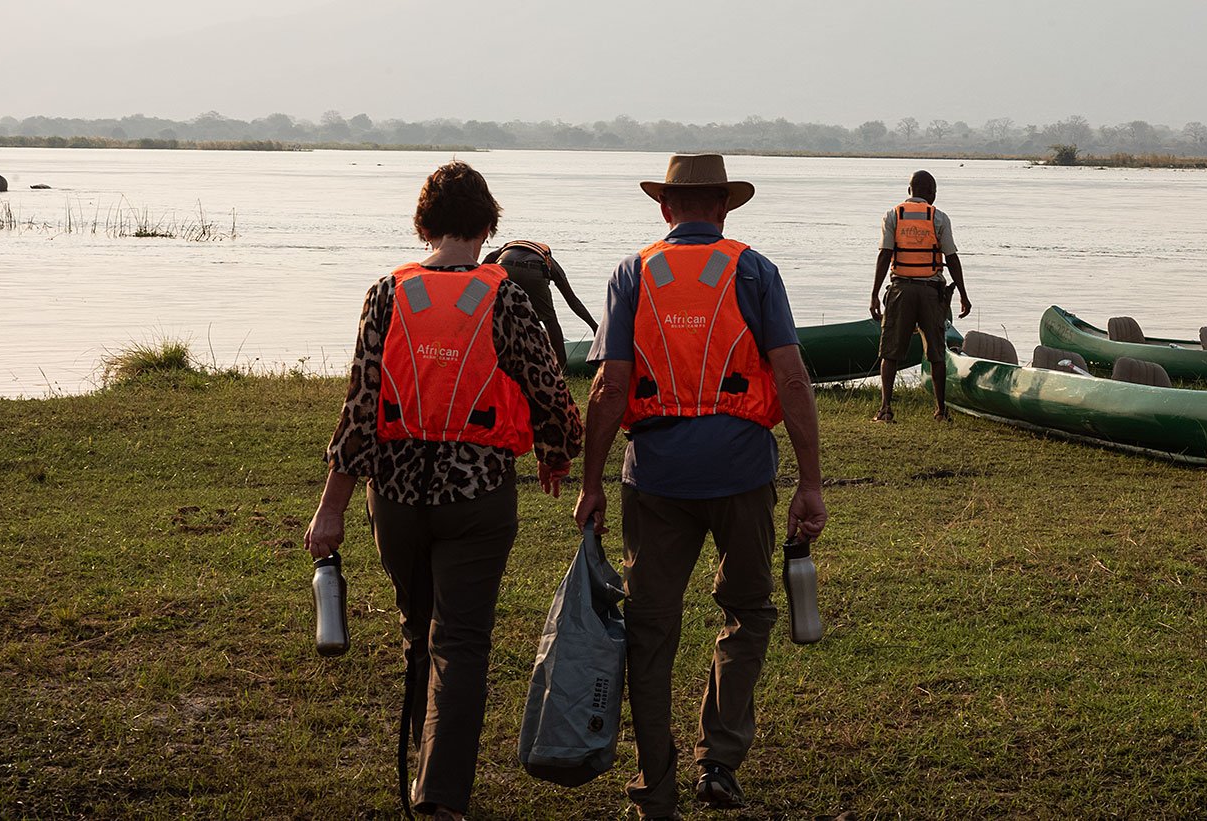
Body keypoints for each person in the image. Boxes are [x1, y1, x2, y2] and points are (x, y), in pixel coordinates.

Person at [304, 162, 582, 821]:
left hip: (395, 496)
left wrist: (330, 507)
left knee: (416, 630)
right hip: (476, 493)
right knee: (460, 640)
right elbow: (548, 389)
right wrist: (555, 450)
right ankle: (440, 798)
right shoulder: (506, 295)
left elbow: (360, 410)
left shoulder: (386, 293)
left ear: (421, 224)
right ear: (489, 225)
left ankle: (420, 777)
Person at [573, 154, 826, 821]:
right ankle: (717, 761)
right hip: (742, 473)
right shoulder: (753, 269)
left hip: (654, 475)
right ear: (723, 207)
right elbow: (794, 380)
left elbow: (609, 386)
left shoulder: (634, 272)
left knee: (651, 628)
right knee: (749, 610)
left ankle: (654, 790)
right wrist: (811, 480)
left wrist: (592, 479)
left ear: (665, 208)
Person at [867, 169, 971, 422]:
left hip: (900, 290)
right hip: (930, 293)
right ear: (932, 193)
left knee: (890, 352)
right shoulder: (939, 218)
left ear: (909, 190)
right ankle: (940, 411)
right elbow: (952, 258)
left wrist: (873, 295)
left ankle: (885, 410)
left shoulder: (893, 215)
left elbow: (884, 255)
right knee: (936, 353)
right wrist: (964, 295)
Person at [483, 238, 598, 372]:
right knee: (549, 320)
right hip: (534, 269)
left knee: (500, 315)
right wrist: (595, 327)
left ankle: (494, 360)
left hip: (503, 267)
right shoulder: (548, 260)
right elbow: (572, 301)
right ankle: (562, 369)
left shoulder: (506, 248)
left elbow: (488, 259)